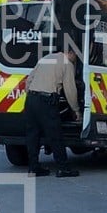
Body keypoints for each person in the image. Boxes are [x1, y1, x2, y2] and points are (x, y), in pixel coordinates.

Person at [23, 47, 81, 177]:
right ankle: (63, 168)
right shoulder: (67, 64)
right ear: (70, 53)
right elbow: (70, 89)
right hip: (46, 102)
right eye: (75, 56)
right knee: (55, 135)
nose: (75, 60)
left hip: (31, 99)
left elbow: (29, 80)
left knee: (33, 136)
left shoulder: (45, 59)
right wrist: (76, 110)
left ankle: (33, 168)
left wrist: (32, 96)